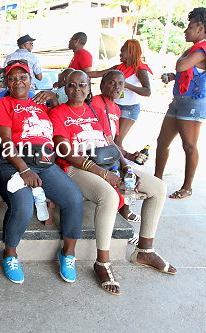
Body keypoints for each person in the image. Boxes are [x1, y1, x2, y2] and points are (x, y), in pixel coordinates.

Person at [49, 70, 176, 296]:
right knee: (107, 196)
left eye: (82, 84)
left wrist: (127, 167)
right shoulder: (58, 113)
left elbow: (110, 142)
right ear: (65, 87)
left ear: (89, 87)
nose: (77, 89)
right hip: (77, 168)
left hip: (108, 164)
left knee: (158, 187)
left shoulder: (96, 112)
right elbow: (66, 152)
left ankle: (145, 250)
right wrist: (104, 174)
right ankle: (102, 263)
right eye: (72, 85)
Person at [0, 61, 83, 285]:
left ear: (31, 80)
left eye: (23, 77)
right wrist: (24, 169)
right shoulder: (3, 104)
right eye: (12, 79)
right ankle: (10, 253)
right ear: (6, 83)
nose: (18, 82)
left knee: (73, 198)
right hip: (14, 163)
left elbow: (65, 107)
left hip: (44, 161)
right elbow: (4, 142)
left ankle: (68, 254)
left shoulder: (42, 103)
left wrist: (53, 94)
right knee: (22, 205)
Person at [155, 7, 206, 199]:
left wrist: (176, 69)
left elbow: (182, 65)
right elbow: (187, 71)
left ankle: (187, 187)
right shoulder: (193, 49)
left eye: (190, 26)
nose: (186, 30)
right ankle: (157, 179)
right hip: (179, 100)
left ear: (200, 27)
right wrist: (172, 76)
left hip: (193, 103)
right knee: (162, 142)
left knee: (189, 145)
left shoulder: (202, 49)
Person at [91, 70, 141, 223]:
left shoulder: (116, 109)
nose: (117, 87)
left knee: (131, 178)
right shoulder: (95, 103)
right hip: (96, 156)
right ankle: (122, 222)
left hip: (110, 153)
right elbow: (101, 140)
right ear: (102, 85)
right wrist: (123, 162)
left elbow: (114, 142)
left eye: (120, 83)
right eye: (112, 82)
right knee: (122, 178)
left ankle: (124, 216)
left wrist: (129, 156)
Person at [87, 39, 152, 150]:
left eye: (123, 52)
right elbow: (98, 73)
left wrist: (126, 85)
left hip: (129, 108)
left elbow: (147, 91)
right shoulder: (119, 67)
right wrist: (75, 73)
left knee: (117, 140)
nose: (120, 54)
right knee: (109, 137)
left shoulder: (140, 69)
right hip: (114, 106)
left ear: (131, 52)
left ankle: (122, 164)